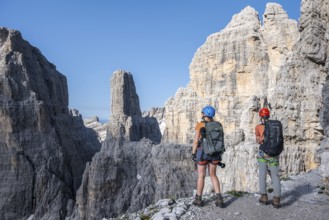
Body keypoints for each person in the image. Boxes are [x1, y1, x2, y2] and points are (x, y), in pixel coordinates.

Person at [191, 105, 224, 207]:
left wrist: (193, 153)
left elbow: (196, 141)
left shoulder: (200, 125)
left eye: (202, 112)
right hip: (215, 153)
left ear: (204, 114)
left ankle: (198, 199)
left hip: (203, 153)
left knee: (201, 176)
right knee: (213, 175)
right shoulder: (218, 125)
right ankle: (219, 199)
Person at [255, 107, 281, 208]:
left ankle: (264, 197)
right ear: (268, 115)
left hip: (263, 153)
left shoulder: (258, 127)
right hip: (274, 154)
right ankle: (277, 199)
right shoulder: (276, 126)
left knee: (262, 174)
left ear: (261, 117)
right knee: (275, 176)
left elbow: (258, 140)